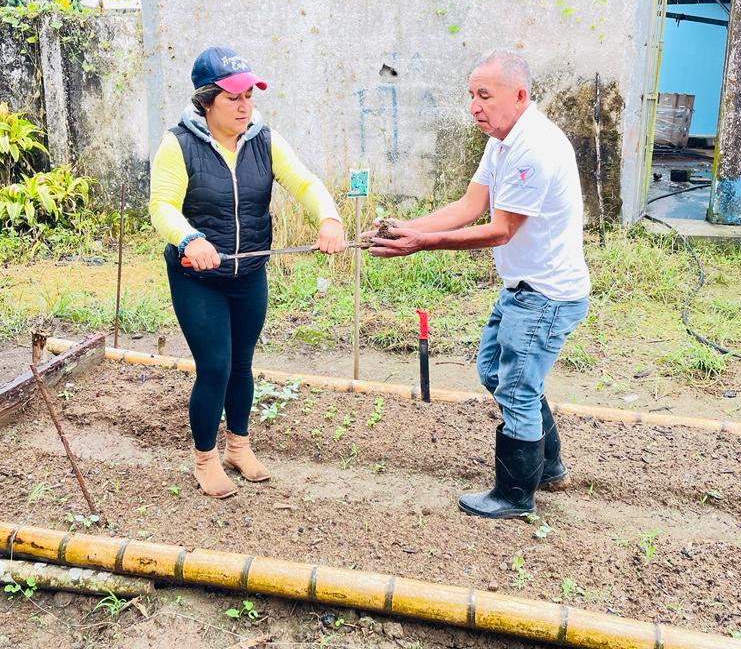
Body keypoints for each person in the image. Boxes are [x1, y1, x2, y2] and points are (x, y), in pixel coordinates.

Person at [367, 49, 589, 519]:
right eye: (471, 95)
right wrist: (406, 228)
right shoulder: (502, 141)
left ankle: (514, 495)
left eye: (485, 95)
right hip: (523, 288)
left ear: (519, 96)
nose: (474, 106)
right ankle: (548, 466)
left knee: (517, 390)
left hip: (546, 295)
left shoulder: (535, 148)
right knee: (494, 371)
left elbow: (499, 230)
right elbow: (469, 206)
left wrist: (422, 244)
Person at [149, 46, 345, 499]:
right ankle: (205, 458)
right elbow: (162, 206)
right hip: (198, 278)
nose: (245, 106)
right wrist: (189, 238)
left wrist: (329, 218)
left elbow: (304, 182)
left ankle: (238, 446)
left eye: (249, 96)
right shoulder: (178, 144)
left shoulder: (264, 140)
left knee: (242, 364)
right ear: (206, 101)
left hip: (249, 273)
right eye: (233, 97)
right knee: (215, 366)